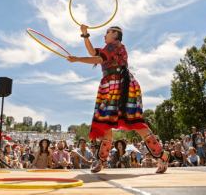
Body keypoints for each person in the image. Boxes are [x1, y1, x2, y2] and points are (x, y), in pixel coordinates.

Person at [67, 25, 169, 173]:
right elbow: (92, 51)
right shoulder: (109, 48)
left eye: (107, 32)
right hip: (111, 85)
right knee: (106, 123)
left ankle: (161, 155)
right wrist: (85, 35)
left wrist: (77, 59)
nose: (104, 35)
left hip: (122, 86)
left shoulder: (114, 46)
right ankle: (101, 160)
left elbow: (96, 58)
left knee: (134, 121)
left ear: (115, 34)